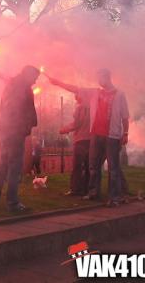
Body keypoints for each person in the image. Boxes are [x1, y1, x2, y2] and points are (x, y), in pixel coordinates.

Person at [48, 69, 129, 207]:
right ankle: (93, 193)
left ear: (107, 77)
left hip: (112, 136)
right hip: (96, 134)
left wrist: (125, 133)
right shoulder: (95, 92)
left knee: (113, 167)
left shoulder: (120, 95)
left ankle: (114, 197)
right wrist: (57, 83)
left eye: (100, 77)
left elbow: (125, 117)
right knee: (93, 166)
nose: (99, 81)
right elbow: (75, 89)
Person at [0, 65, 40, 212]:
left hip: (5, 131)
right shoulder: (22, 87)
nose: (35, 82)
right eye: (35, 78)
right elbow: (17, 110)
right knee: (15, 167)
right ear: (28, 74)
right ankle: (13, 202)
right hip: (15, 132)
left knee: (3, 165)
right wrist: (24, 127)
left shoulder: (12, 84)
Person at [59, 93, 91, 196]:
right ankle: (87, 189)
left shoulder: (81, 108)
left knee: (77, 166)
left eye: (77, 94)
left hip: (81, 140)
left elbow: (77, 123)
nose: (75, 96)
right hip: (90, 139)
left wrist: (64, 129)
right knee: (87, 166)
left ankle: (75, 190)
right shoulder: (91, 107)